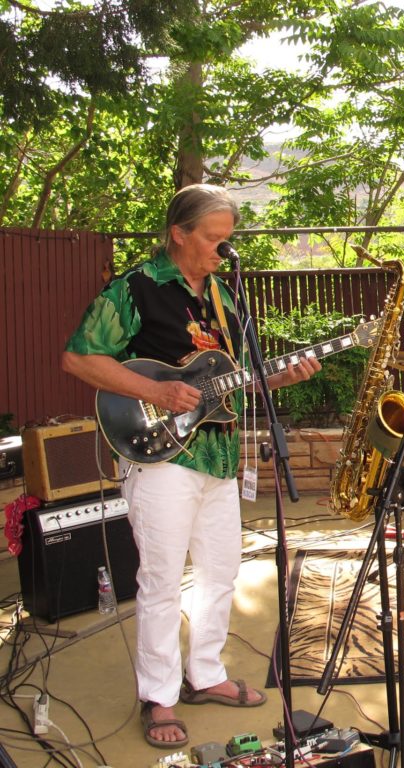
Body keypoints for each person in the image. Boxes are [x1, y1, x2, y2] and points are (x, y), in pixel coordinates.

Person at [61, 184, 321, 748]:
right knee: (160, 580)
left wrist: (277, 376)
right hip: (160, 456)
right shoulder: (137, 288)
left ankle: (205, 674)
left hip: (218, 454)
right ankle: (158, 694)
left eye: (228, 241)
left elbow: (227, 382)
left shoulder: (225, 296)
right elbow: (80, 357)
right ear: (178, 233)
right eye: (213, 239)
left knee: (220, 571)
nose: (222, 251)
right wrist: (160, 391)